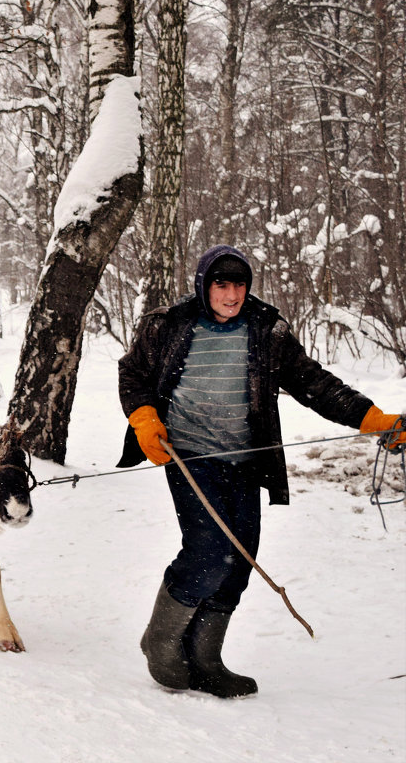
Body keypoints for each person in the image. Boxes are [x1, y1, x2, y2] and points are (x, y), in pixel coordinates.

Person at [118, 244, 403, 699]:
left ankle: (206, 657)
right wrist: (145, 417)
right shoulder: (168, 325)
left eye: (240, 285)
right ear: (203, 285)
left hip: (246, 460)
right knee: (210, 550)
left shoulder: (266, 329)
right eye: (221, 285)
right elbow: (133, 374)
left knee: (240, 558)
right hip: (189, 455)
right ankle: (161, 639)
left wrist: (373, 420)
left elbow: (314, 384)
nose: (232, 295)